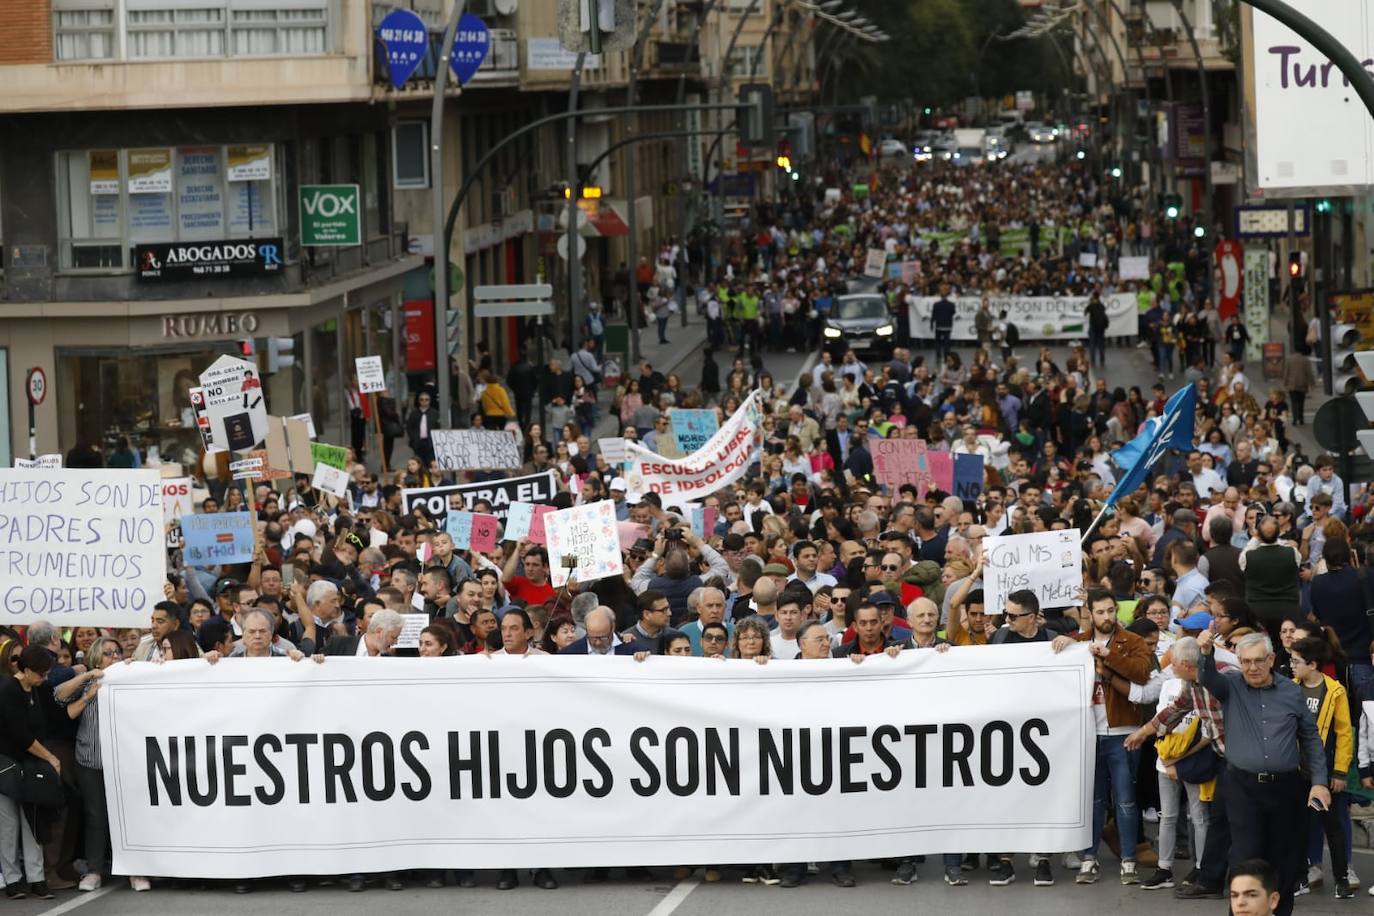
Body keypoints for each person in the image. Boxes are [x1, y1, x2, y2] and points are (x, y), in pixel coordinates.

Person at [1197, 628, 1330, 916]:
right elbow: (1207, 678)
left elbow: (1310, 738)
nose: (1252, 667)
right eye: (1245, 661)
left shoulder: (1292, 691)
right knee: (1246, 858)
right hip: (1243, 787)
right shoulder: (1231, 686)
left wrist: (1319, 782)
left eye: (1258, 660)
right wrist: (1206, 654)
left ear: (1271, 659)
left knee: (1284, 861)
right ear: (1239, 661)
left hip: (1286, 788)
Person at [1287, 636, 1354, 898]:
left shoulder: (1335, 691)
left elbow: (1344, 733)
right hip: (1295, 769)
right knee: (1298, 825)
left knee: (1333, 825)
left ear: (1312, 664)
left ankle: (1342, 879)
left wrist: (1339, 771)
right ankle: (1301, 877)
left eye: (1296, 661)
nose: (1292, 666)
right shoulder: (1290, 688)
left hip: (1324, 769)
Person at [0, 647, 62, 900]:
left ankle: (36, 878)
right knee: (9, 823)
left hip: (30, 764)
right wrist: (49, 757)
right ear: (24, 670)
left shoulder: (36, 689)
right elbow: (20, 734)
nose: (44, 678)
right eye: (40, 674)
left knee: (32, 821)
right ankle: (13, 878)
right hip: (6, 764)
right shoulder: (7, 691)